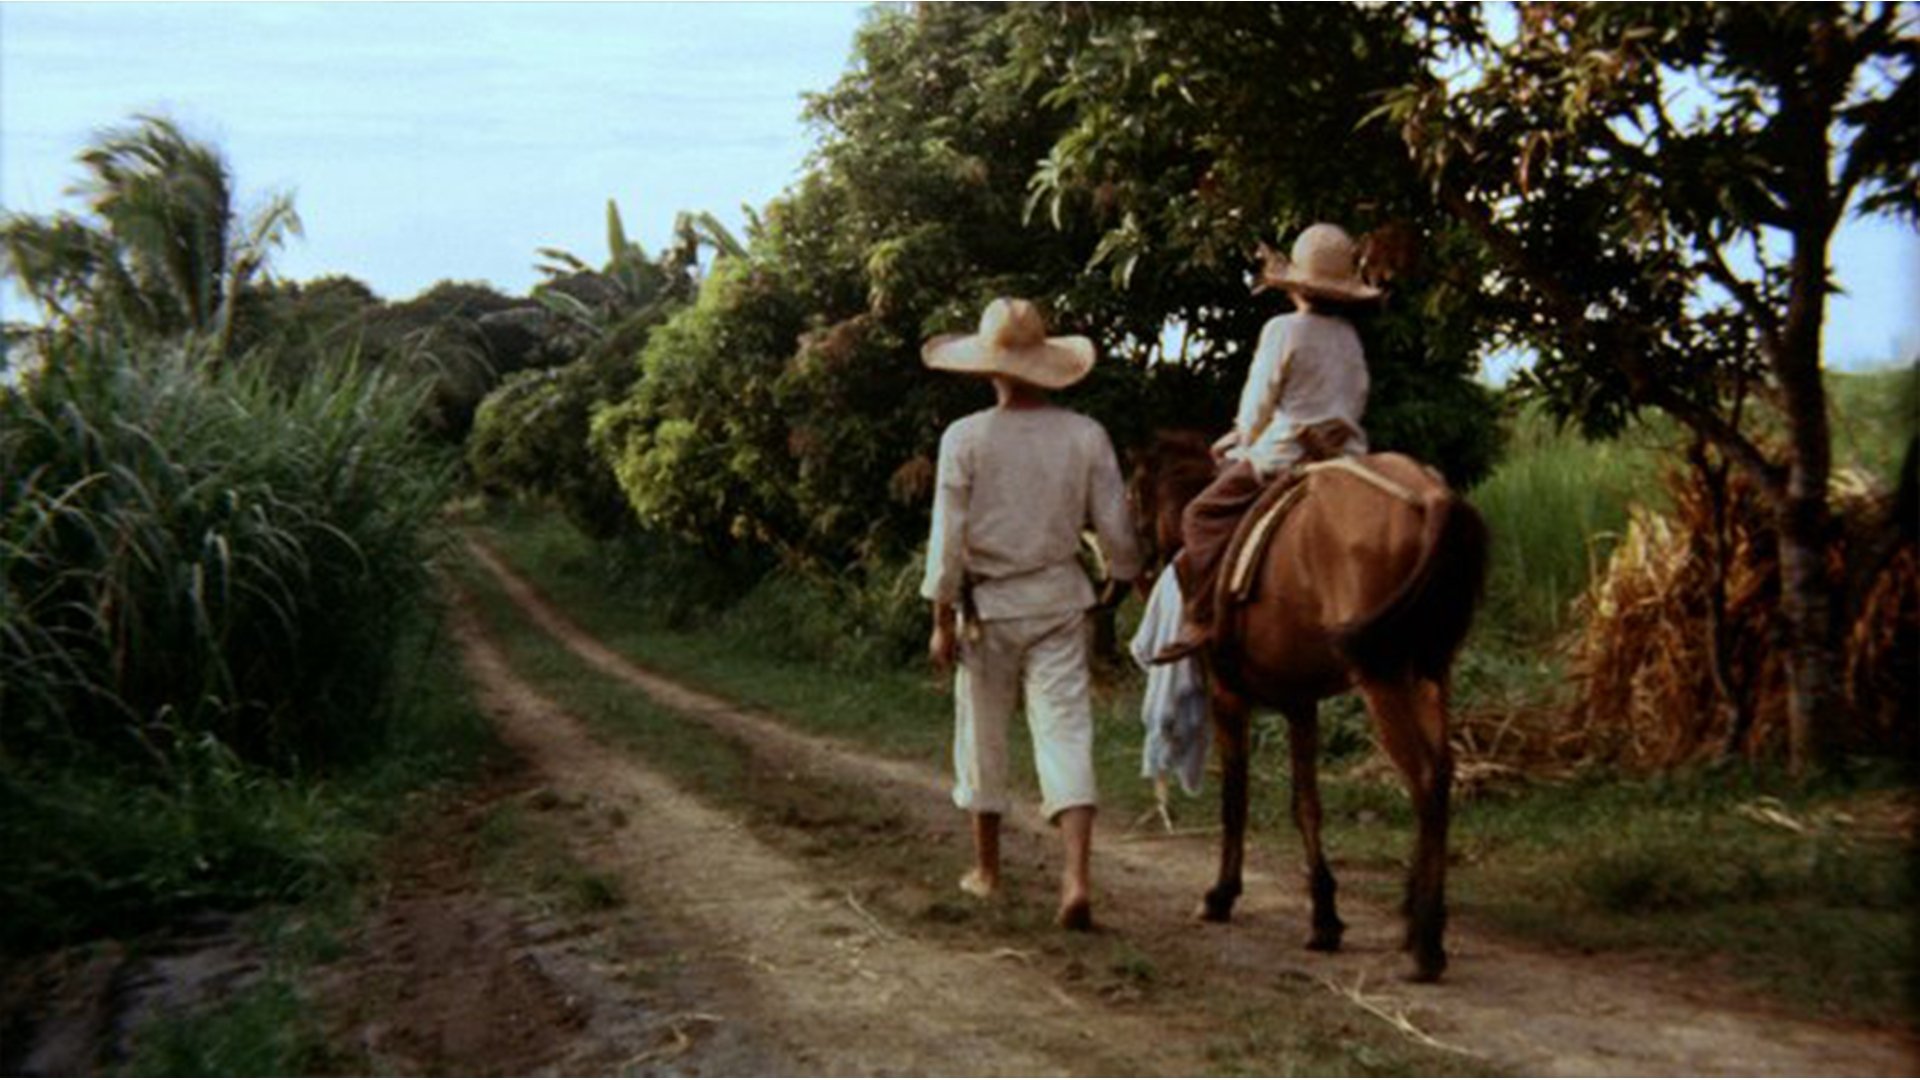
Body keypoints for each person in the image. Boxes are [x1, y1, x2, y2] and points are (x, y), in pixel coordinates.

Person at [920, 296, 1141, 931]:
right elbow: (1116, 527)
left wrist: (940, 618)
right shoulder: (1085, 435)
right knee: (1066, 731)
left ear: (989, 367)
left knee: (981, 734)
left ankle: (987, 871)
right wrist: (1120, 580)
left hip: (987, 607)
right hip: (1060, 600)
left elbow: (947, 537)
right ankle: (1075, 878)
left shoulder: (965, 438)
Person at [1155, 222, 1381, 663]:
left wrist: (1240, 436)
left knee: (1200, 515)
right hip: (1346, 456)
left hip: (1286, 454)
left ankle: (1201, 617)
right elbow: (1356, 398)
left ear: (1296, 285)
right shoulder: (1349, 337)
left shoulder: (1283, 329)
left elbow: (1259, 403)